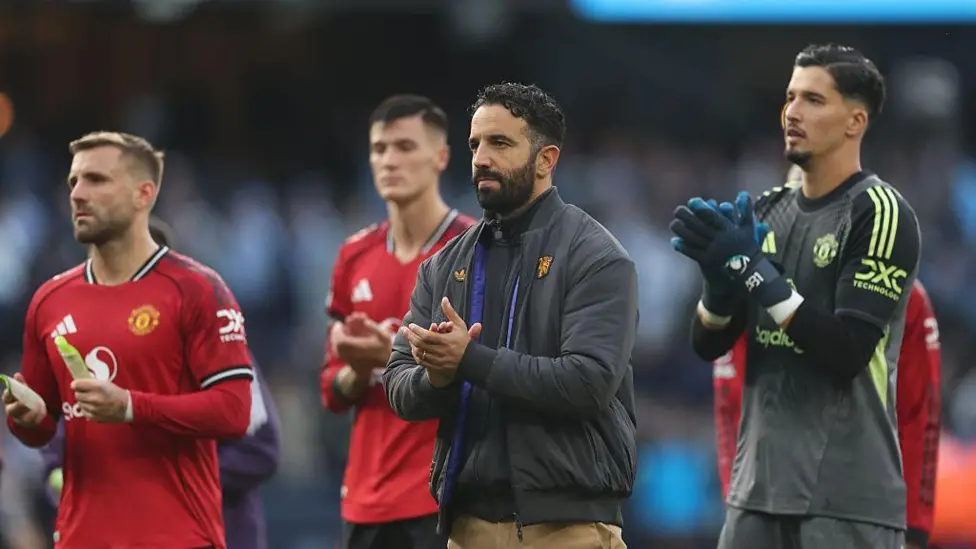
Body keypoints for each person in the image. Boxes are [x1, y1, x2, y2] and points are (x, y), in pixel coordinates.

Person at [671, 44, 921, 549]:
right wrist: (719, 286)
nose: (792, 112)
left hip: (845, 498)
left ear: (855, 121)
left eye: (813, 99)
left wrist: (752, 270)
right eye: (790, 97)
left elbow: (846, 351)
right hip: (755, 494)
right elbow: (708, 344)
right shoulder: (767, 210)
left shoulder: (880, 212)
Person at [384, 82, 638, 549]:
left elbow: (589, 382)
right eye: (475, 144)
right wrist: (436, 378)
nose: (481, 158)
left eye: (500, 143)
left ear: (546, 160)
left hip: (568, 530)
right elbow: (398, 382)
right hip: (467, 529)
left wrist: (469, 361)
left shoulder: (595, 257)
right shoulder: (444, 265)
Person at [2, 131, 253, 549]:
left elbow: (234, 411)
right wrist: (24, 419)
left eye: (96, 180)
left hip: (178, 538)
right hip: (82, 538)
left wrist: (132, 406)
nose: (78, 194)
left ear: (144, 194)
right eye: (73, 182)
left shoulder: (198, 290)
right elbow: (42, 428)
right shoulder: (49, 300)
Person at [712, 166, 942, 549]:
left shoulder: (901, 295)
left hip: (854, 504)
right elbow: (731, 406)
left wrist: (914, 529)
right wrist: (738, 503)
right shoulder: (754, 288)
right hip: (766, 505)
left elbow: (919, 413)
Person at [39, 216, 281, 549]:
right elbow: (58, 450)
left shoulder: (221, 348)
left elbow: (260, 450)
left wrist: (160, 483)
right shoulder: (91, 359)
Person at [320, 94, 474, 549]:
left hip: (445, 495)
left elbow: (487, 368)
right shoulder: (354, 254)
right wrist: (358, 369)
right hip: (364, 499)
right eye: (379, 148)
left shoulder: (474, 248)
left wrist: (391, 353)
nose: (389, 160)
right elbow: (330, 389)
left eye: (405, 147)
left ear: (440, 157)